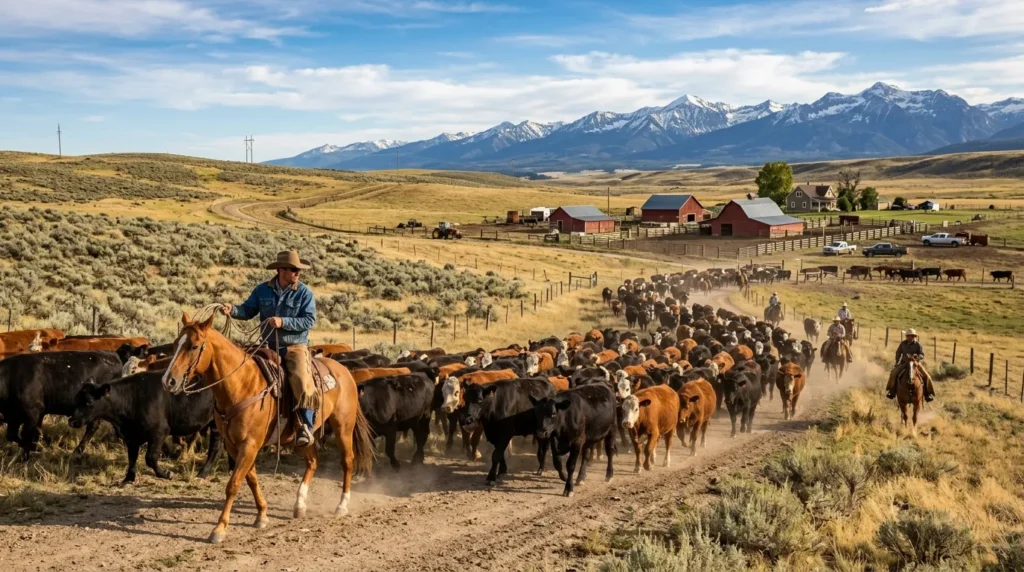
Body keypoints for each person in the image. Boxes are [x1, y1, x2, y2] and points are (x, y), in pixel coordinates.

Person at [221, 251, 318, 447]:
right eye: (294, 269)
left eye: (299, 269)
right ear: (281, 270)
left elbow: (309, 320)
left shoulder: (305, 293)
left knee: (301, 378)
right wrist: (233, 310)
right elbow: (247, 310)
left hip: (294, 346)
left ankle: (305, 425)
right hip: (267, 345)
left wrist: (283, 321)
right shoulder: (262, 290)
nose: (298, 272)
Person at [885, 328, 935, 402]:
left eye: (911, 336)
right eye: (908, 336)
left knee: (927, 376)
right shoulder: (903, 344)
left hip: (915, 363)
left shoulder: (918, 345)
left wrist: (917, 357)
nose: (910, 337)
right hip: (904, 363)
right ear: (906, 336)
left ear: (914, 336)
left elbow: (922, 354)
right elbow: (898, 353)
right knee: (893, 373)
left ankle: (928, 394)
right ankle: (891, 391)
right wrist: (897, 362)